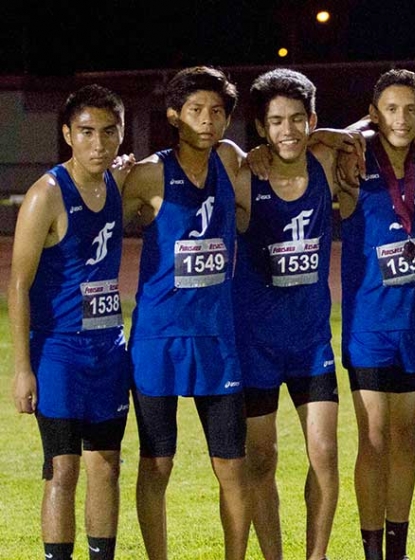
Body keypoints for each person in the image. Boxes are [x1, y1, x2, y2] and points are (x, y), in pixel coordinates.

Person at [122, 66, 250, 560]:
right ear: (174, 115)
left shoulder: (232, 164)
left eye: (217, 111)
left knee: (232, 468)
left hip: (217, 343)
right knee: (156, 465)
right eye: (196, 110)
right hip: (159, 340)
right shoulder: (150, 173)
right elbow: (99, 212)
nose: (207, 120)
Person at [9, 85, 130, 560]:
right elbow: (18, 284)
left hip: (109, 354)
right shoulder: (47, 194)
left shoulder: (120, 182)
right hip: (59, 354)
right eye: (86, 132)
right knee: (62, 469)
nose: (98, 143)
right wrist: (22, 368)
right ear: (67, 134)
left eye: (108, 132)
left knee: (107, 465)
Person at [233, 68, 346, 560]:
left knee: (324, 454)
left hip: (310, 342)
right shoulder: (244, 176)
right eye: (276, 121)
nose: (287, 130)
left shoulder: (325, 160)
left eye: (297, 119)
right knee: (261, 459)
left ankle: (315, 556)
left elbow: (379, 126)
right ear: (260, 127)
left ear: (312, 120)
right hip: (254, 343)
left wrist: (336, 133)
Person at [340, 69, 415, 560]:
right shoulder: (352, 162)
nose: (400, 119)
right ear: (374, 113)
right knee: (374, 437)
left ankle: (398, 548)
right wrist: (359, 129)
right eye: (389, 109)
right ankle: (372, 549)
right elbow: (316, 143)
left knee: (407, 437)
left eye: (410, 109)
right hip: (369, 323)